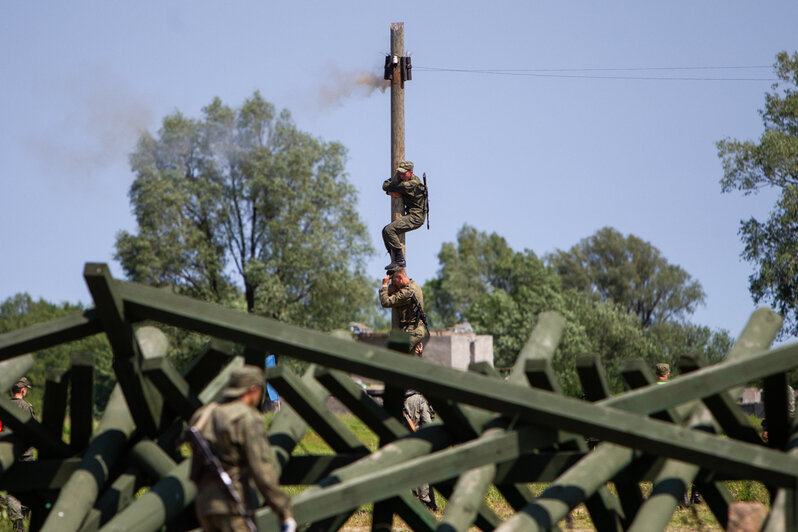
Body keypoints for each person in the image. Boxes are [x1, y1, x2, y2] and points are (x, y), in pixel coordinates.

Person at [188, 365, 295, 532]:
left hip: (205, 506)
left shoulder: (203, 415)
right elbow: (262, 468)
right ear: (253, 389)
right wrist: (284, 511)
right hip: (232, 505)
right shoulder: (245, 417)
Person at [381, 161, 427, 271]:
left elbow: (386, 186)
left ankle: (400, 260)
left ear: (411, 173)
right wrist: (391, 191)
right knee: (385, 231)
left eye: (403, 173)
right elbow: (387, 186)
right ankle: (394, 259)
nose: (401, 176)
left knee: (389, 230)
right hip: (411, 214)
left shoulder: (410, 184)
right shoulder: (407, 181)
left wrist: (390, 191)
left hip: (416, 217)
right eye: (399, 173)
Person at [379, 269, 430, 356]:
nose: (394, 284)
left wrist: (384, 286)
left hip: (413, 331)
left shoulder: (408, 292)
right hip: (411, 330)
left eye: (394, 281)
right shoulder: (412, 285)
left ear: (400, 278)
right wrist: (391, 291)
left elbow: (386, 302)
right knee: (405, 361)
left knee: (397, 356)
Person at [7, 377, 35, 532]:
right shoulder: (26, 407)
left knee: (12, 489)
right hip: (25, 455)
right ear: (23, 390)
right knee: (28, 486)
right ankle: (22, 519)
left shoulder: (4, 407)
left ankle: (16, 523)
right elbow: (33, 431)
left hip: (7, 453)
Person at [404, 391, 437, 511]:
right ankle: (426, 502)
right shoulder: (420, 399)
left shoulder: (403, 400)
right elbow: (427, 422)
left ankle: (419, 502)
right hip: (421, 439)